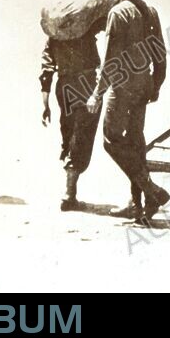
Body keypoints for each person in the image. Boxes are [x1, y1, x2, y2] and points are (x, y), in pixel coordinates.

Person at [86, 0, 170, 223]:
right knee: (135, 141)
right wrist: (156, 84)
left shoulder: (117, 13)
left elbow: (111, 60)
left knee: (111, 141)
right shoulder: (149, 10)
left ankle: (151, 190)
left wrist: (96, 94)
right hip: (144, 84)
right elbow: (161, 54)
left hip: (123, 87)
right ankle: (138, 204)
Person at [40, 18, 105, 211]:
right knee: (82, 135)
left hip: (64, 87)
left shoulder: (55, 34)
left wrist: (45, 104)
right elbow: (102, 21)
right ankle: (69, 195)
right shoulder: (87, 27)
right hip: (86, 84)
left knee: (69, 134)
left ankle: (70, 192)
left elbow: (46, 70)